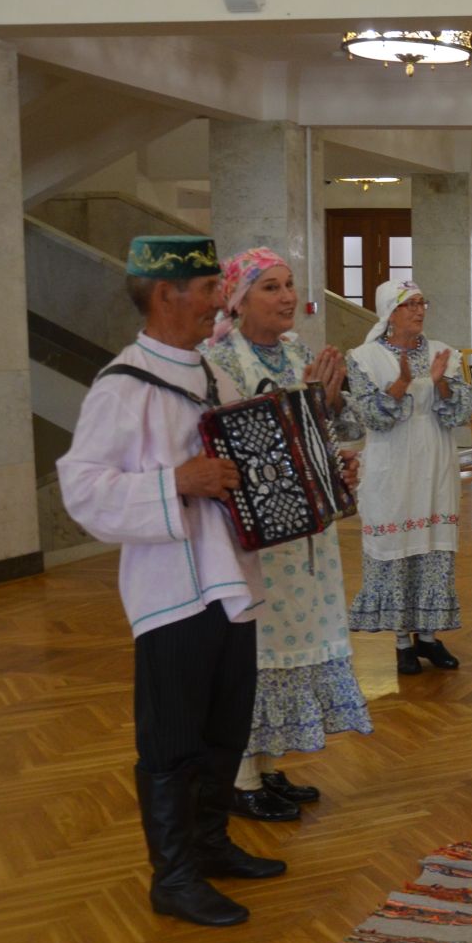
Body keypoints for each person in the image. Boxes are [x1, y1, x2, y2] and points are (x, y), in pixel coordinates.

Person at [57, 235, 287, 927]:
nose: (221, 300)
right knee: (171, 739)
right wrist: (175, 484)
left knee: (224, 726)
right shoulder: (122, 386)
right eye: (210, 289)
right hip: (170, 590)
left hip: (231, 582)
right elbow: (83, 489)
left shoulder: (208, 374)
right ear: (166, 295)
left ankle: (211, 844)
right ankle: (174, 876)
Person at [199, 247, 370, 822]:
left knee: (290, 649)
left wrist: (336, 441)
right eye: (270, 287)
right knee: (255, 651)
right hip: (254, 536)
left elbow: (334, 428)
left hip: (306, 537)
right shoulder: (217, 361)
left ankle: (268, 767)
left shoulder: (298, 352)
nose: (287, 297)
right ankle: (240, 778)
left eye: (290, 284)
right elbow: (232, 438)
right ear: (238, 298)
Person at [346, 280, 470, 675]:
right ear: (389, 312)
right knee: (397, 551)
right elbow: (373, 418)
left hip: (434, 463)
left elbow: (460, 412)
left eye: (422, 302)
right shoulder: (364, 358)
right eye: (410, 304)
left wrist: (440, 382)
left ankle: (429, 639)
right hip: (392, 467)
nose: (419, 311)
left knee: (432, 549)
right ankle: (401, 643)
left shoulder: (442, 354)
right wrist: (400, 384)